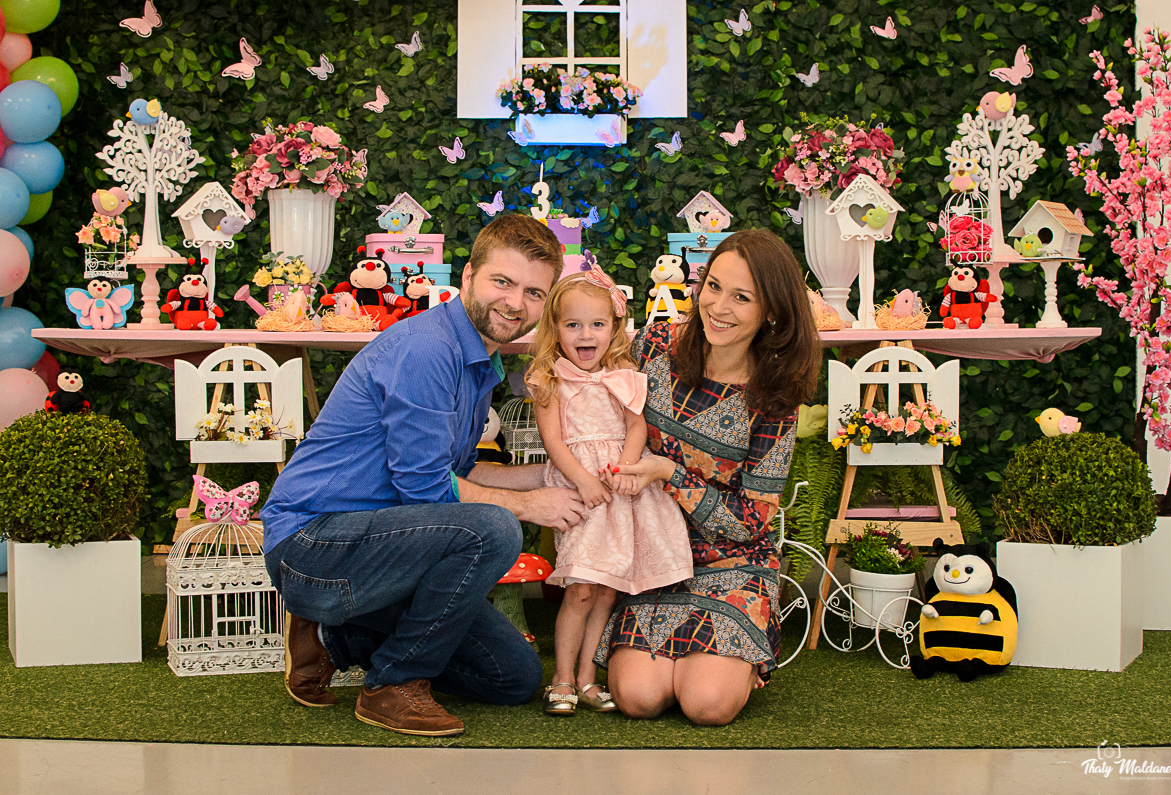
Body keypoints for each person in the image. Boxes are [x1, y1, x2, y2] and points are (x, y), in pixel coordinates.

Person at [260, 214, 586, 737]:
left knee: (513, 677)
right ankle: (393, 684)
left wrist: (552, 476)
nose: (514, 303)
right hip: (313, 546)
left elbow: (456, 471)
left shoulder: (480, 360)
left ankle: (332, 638)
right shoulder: (429, 348)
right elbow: (427, 490)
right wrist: (530, 508)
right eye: (501, 282)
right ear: (467, 278)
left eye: (532, 292)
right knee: (495, 529)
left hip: (385, 549)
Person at [594, 228, 822, 726]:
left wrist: (669, 473)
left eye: (742, 297)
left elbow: (751, 522)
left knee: (707, 705)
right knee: (637, 697)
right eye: (713, 287)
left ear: (772, 312)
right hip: (654, 556)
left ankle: (725, 663)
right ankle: (692, 661)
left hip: (733, 562)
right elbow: (599, 410)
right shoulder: (655, 347)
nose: (718, 306)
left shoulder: (773, 397)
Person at [525, 269, 693, 717]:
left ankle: (586, 679)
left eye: (597, 325)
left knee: (606, 592)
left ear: (615, 328)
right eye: (573, 325)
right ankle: (560, 678)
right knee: (581, 587)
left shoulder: (624, 374)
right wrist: (583, 479)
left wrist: (629, 469)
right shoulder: (550, 380)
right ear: (555, 329)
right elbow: (554, 442)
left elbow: (636, 426)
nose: (586, 334)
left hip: (620, 492)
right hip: (581, 493)